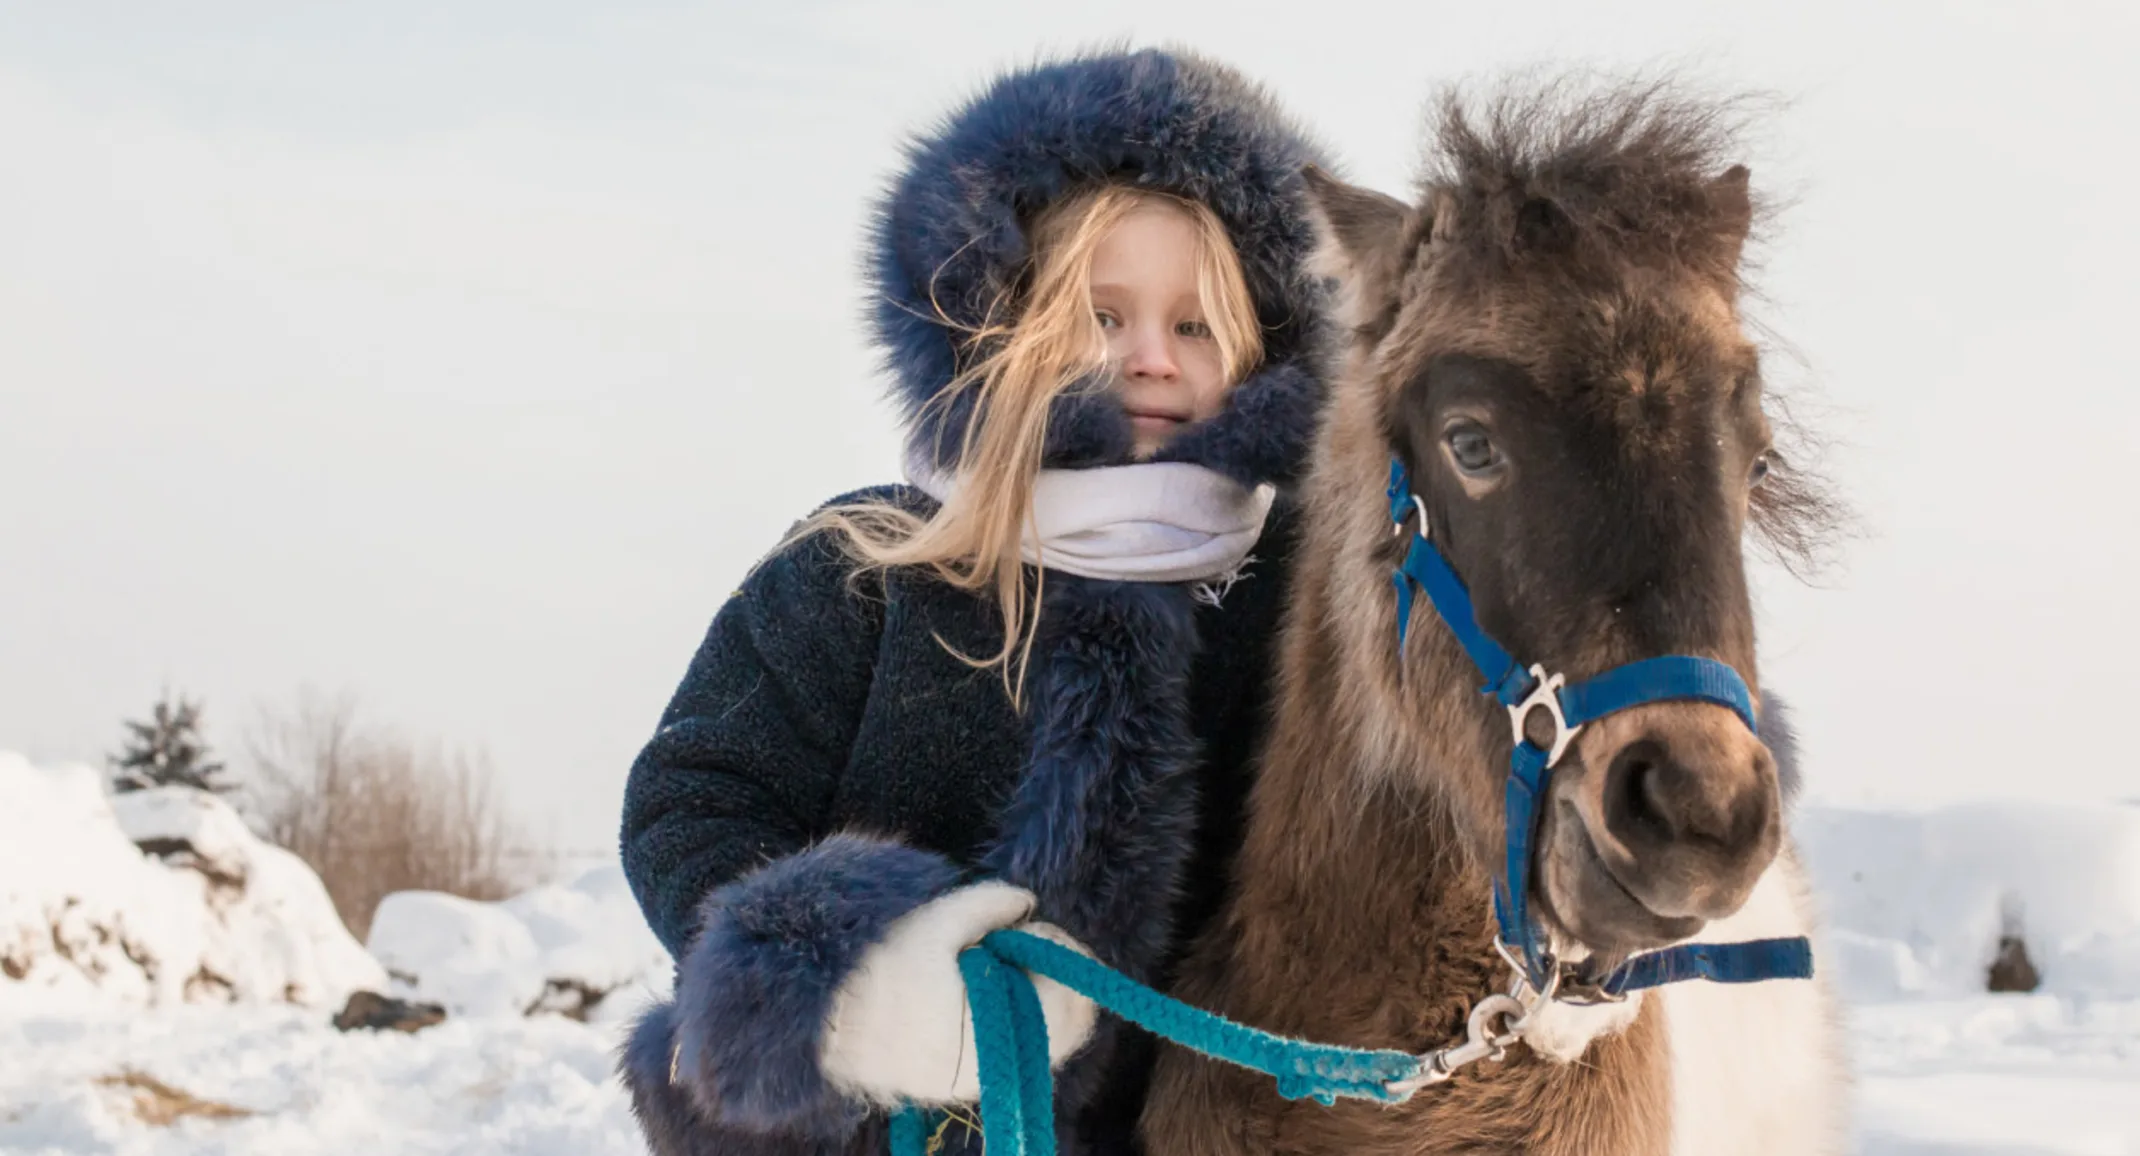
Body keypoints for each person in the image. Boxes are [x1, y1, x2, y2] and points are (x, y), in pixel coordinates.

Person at [616, 47, 1333, 1156]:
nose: (1150, 358)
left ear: (1260, 357)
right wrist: (838, 967)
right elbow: (693, 793)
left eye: (1194, 325)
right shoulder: (873, 562)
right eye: (1103, 315)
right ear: (1007, 327)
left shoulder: (1298, 596)